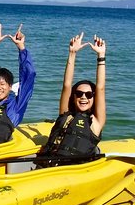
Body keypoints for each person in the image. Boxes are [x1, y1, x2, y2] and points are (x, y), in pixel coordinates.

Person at [38, 32, 106, 165]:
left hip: (73, 172)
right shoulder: (65, 114)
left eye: (89, 94)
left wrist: (101, 56)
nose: (83, 97)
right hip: (47, 166)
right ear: (74, 97)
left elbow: (101, 88)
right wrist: (72, 53)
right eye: (79, 93)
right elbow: (67, 85)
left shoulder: (96, 122)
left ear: (94, 98)